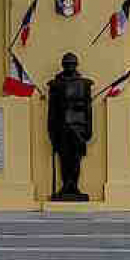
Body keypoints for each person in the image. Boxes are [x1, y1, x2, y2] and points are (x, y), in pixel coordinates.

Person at [47, 52, 94, 201]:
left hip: (78, 127)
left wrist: (89, 129)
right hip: (62, 127)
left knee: (76, 158)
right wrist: (51, 132)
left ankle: (73, 185)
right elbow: (52, 111)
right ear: (63, 65)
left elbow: (88, 108)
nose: (69, 67)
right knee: (64, 158)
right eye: (67, 64)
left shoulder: (85, 84)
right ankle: (66, 185)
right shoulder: (55, 85)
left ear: (76, 65)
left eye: (72, 64)